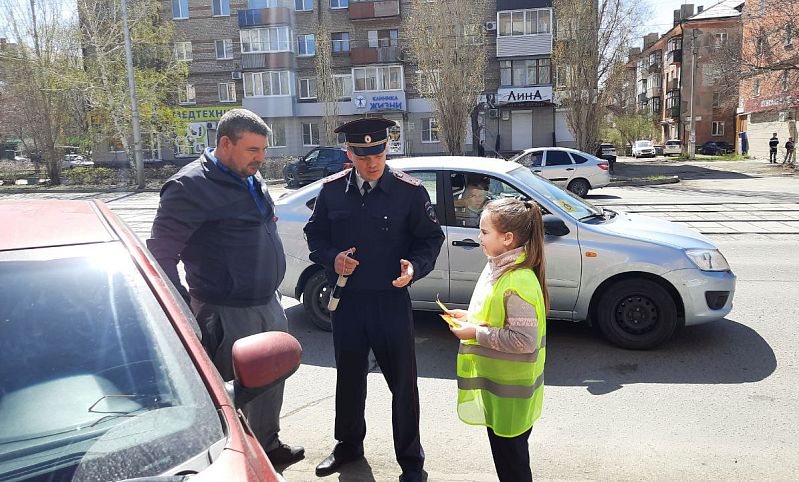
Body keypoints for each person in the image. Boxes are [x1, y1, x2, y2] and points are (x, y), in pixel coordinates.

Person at [147, 109, 304, 467]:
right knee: (234, 392)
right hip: (226, 310)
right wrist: (184, 310)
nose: (260, 158)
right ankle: (238, 459)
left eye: (263, 150)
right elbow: (161, 254)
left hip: (267, 302)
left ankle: (268, 443)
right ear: (225, 144)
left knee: (270, 381)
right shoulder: (189, 187)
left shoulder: (250, 175)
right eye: (252, 150)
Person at [304, 117, 445, 481]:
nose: (372, 162)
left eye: (378, 152)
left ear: (387, 148)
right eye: (363, 154)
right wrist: (331, 257)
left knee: (403, 384)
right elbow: (315, 234)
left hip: (390, 300)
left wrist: (414, 267)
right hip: (348, 302)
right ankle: (348, 446)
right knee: (349, 378)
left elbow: (430, 239)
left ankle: (411, 461)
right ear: (349, 153)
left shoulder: (409, 191)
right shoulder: (332, 190)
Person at [445, 197, 548, 482]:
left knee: (513, 467)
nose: (479, 238)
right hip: (501, 392)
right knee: (507, 461)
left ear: (508, 238)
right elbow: (496, 316)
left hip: (511, 395)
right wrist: (469, 318)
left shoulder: (518, 280)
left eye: (484, 232)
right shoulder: (497, 266)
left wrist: (474, 333)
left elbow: (523, 340)